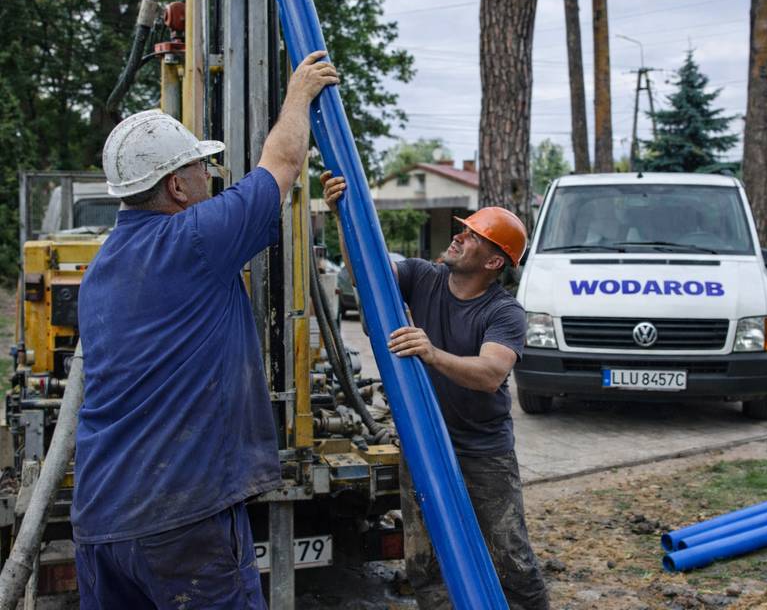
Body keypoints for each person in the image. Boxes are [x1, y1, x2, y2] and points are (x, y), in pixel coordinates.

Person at [73, 50, 338, 609]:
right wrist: (299, 93)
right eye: (202, 168)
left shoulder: (101, 270)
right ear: (176, 186)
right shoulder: (194, 239)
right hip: (181, 518)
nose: (210, 177)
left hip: (100, 521)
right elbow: (281, 164)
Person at [324, 178, 550, 610]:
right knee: (424, 562)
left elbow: (490, 374)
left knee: (510, 559)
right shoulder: (423, 276)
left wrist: (432, 353)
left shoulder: (504, 312)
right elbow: (367, 275)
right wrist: (342, 217)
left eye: (473, 236)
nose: (459, 236)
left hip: (482, 452)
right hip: (423, 442)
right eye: (463, 229)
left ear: (494, 261)